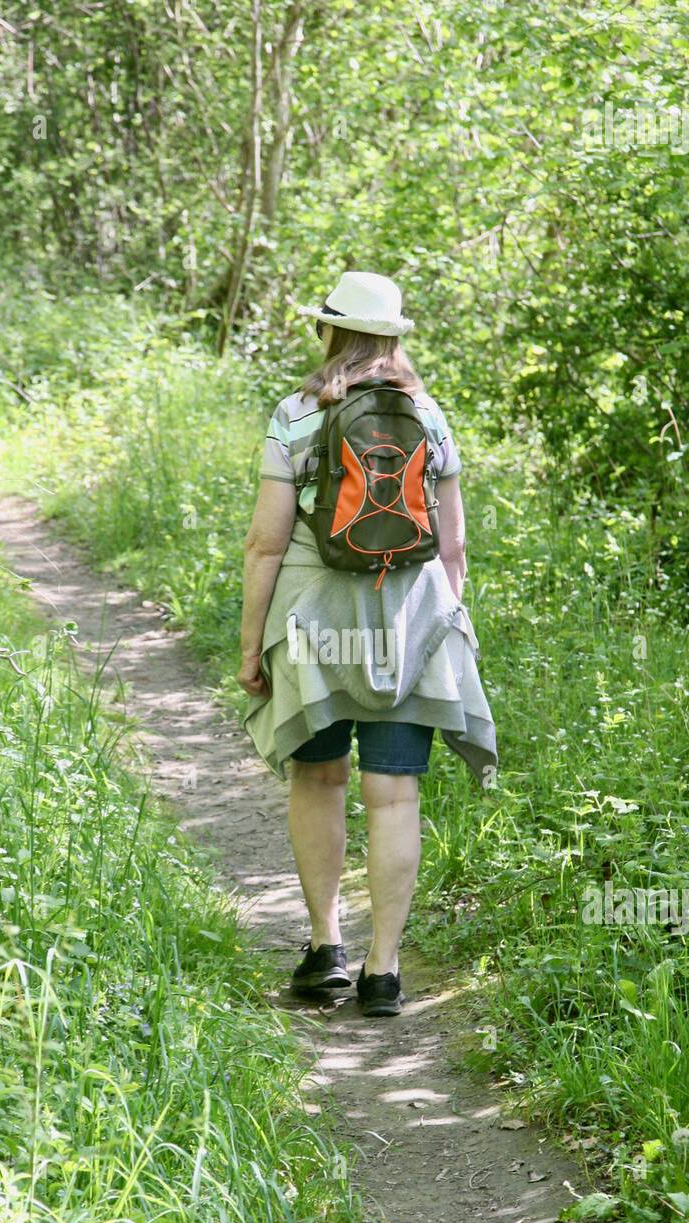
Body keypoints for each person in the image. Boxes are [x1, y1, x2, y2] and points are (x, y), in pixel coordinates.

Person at [238, 271, 497, 1017]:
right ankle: (383, 970)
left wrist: (252, 644)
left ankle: (325, 948)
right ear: (391, 337)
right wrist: (448, 629)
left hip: (312, 621)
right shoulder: (428, 415)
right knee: (394, 795)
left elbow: (265, 544)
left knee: (317, 781)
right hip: (408, 624)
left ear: (329, 331)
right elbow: (452, 549)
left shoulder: (294, 414)